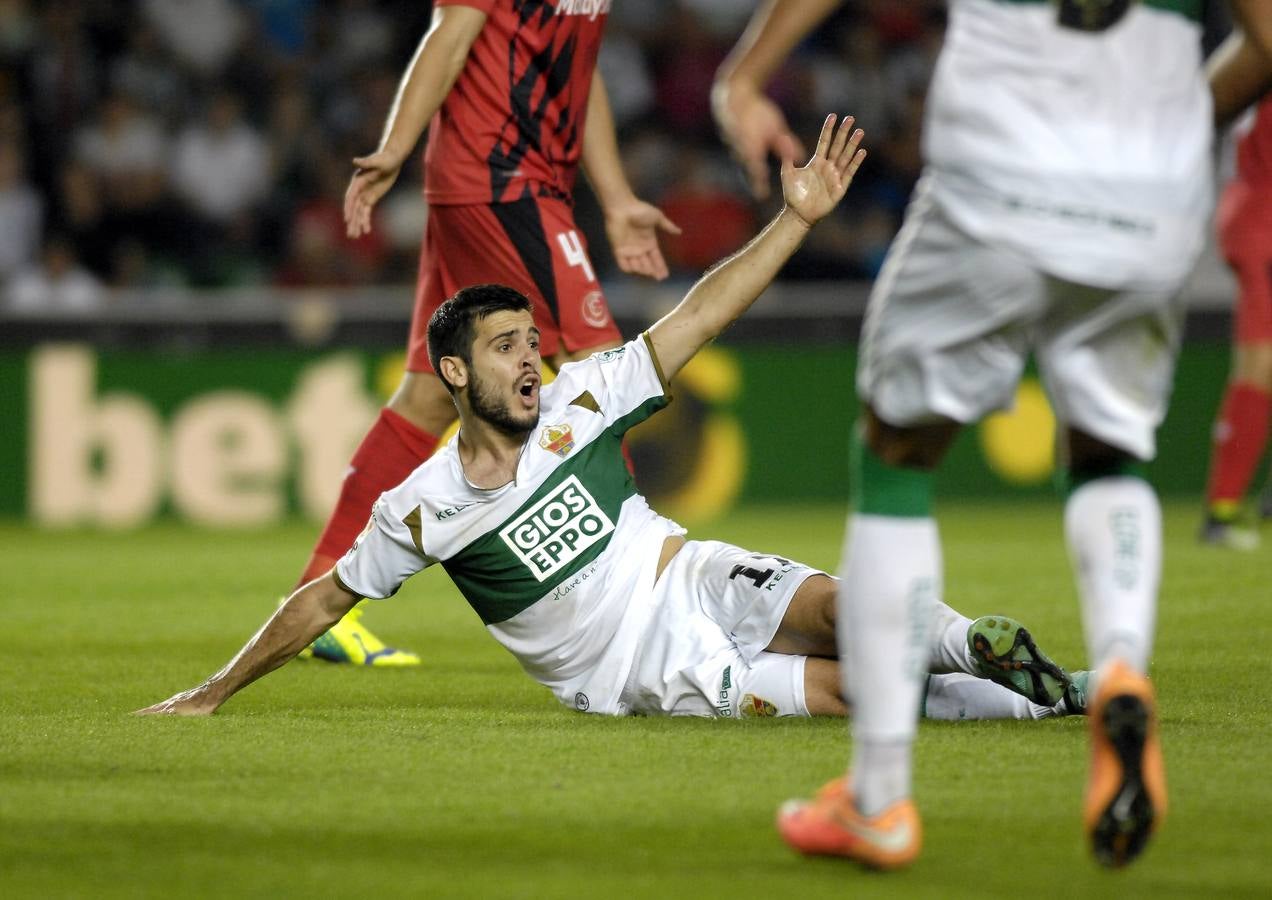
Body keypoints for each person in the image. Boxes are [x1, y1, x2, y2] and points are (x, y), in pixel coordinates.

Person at [138, 117, 1087, 731]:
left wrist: (793, 221)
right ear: (456, 371)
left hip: (693, 571)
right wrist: (211, 693)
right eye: (506, 347)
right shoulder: (420, 508)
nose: (530, 359)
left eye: (530, 341)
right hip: (646, 665)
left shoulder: (580, 401)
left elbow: (701, 315)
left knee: (845, 609)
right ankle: (1042, 708)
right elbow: (323, 601)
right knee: (855, 689)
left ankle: (988, 651)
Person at [712, 0, 1272, 872]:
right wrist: (1170, 120)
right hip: (1151, 191)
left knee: (897, 455)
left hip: (1000, 170)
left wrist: (744, 77)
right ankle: (1122, 665)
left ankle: (880, 797)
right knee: (1105, 450)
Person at [296, 0, 681, 665]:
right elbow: (449, 38)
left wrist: (615, 197)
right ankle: (645, 609)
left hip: (515, 186)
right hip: (498, 181)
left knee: (423, 394)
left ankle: (318, 598)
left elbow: (576, 76)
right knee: (606, 370)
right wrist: (396, 145)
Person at [1200, 95, 1272, 550]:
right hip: (1261, 220)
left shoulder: (1257, 66)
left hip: (1246, 210)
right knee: (1258, 363)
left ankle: (1228, 509)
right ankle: (1221, 511)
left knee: (1260, 363)